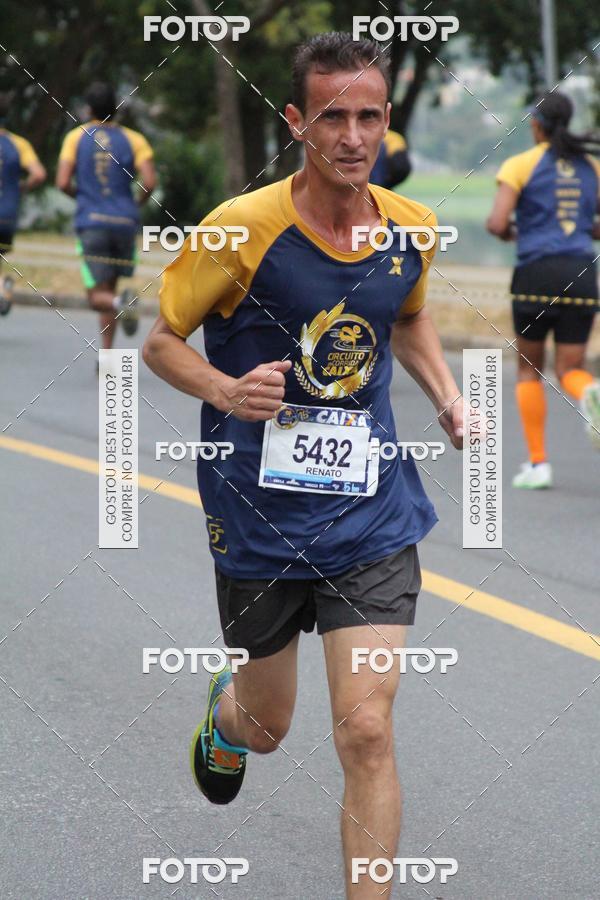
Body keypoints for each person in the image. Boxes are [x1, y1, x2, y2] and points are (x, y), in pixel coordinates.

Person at [143, 32, 463, 899]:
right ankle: (225, 716)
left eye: (369, 117)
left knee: (366, 731)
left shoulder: (412, 229)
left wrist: (443, 393)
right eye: (333, 117)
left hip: (370, 512)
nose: (353, 136)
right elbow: (161, 343)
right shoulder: (238, 231)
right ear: (297, 121)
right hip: (257, 514)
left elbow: (410, 315)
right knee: (269, 724)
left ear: (386, 120)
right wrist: (222, 386)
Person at [487, 91, 600, 489]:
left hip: (536, 275)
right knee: (571, 368)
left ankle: (538, 465)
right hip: (583, 273)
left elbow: (497, 222)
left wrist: (521, 232)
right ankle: (592, 393)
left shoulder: (520, 165)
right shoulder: (592, 167)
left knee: (528, 369)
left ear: (536, 124)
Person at [56, 82, 156, 353]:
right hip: (125, 223)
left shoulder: (76, 137)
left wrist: (84, 197)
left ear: (88, 109)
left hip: (92, 223)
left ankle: (120, 304)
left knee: (97, 297)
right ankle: (108, 354)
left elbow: (62, 181)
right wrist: (135, 203)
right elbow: (149, 181)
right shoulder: (135, 139)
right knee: (111, 288)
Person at [0, 92, 46, 315]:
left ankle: (1, 286)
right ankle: (1, 285)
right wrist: (22, 188)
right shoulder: (18, 144)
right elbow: (38, 173)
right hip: (7, 215)